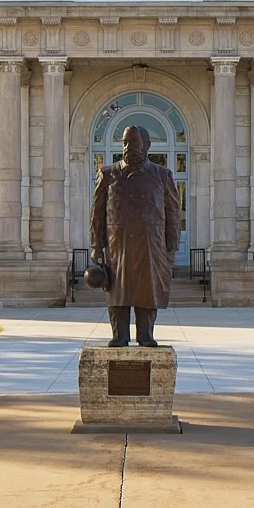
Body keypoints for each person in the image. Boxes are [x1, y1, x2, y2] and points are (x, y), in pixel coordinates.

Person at [88, 123, 180, 348]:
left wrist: (171, 247)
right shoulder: (108, 174)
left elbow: (173, 213)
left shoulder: (162, 175)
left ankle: (145, 334)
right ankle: (119, 335)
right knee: (117, 292)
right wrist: (96, 246)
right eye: (125, 142)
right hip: (117, 246)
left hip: (151, 246)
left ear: (146, 145)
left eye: (134, 142)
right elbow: (97, 213)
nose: (129, 147)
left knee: (147, 291)